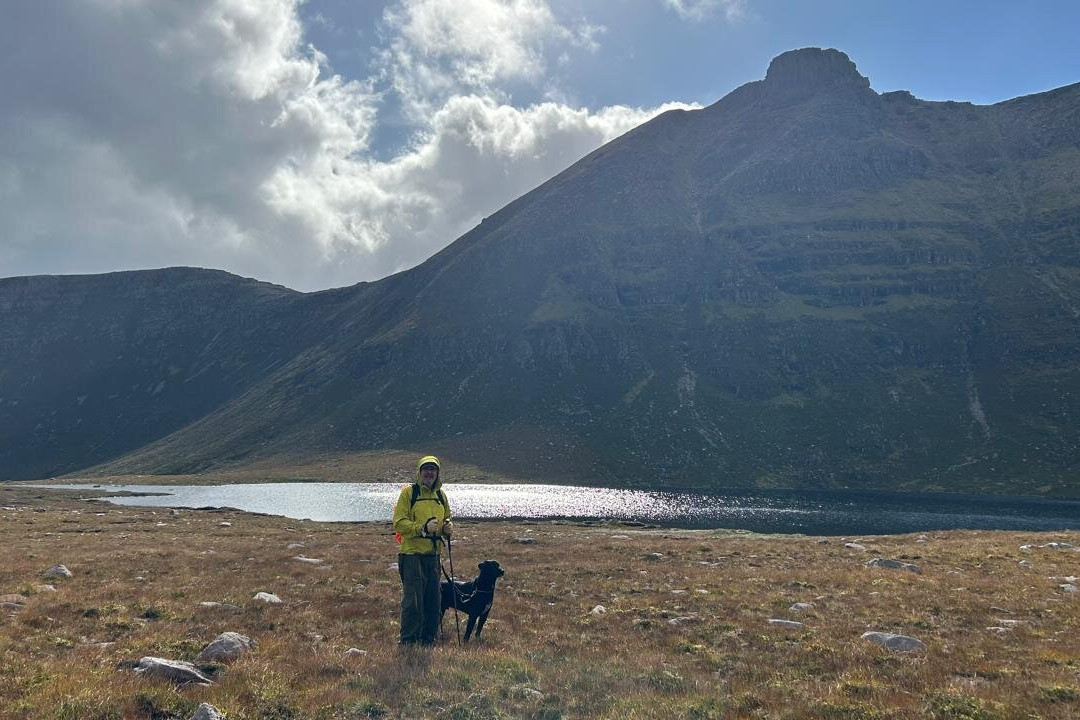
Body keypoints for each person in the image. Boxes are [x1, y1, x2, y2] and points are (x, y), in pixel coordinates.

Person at [392, 454, 453, 646]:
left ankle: (428, 639)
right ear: (419, 472)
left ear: (437, 473)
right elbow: (399, 523)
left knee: (433, 601)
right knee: (413, 602)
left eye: (433, 469)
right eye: (425, 469)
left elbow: (447, 517)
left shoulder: (441, 496)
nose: (429, 472)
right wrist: (422, 529)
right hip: (411, 555)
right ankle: (409, 640)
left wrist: (447, 527)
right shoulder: (409, 494)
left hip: (433, 555)